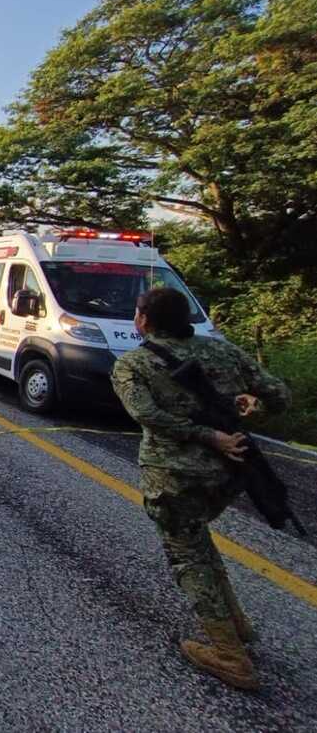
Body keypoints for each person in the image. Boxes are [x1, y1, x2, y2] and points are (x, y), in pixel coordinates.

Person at [111, 287, 290, 691]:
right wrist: (251, 406)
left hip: (174, 476)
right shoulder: (223, 352)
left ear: (143, 320)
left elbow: (146, 414)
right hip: (228, 475)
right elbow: (278, 395)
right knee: (198, 540)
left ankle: (229, 654)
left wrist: (206, 435)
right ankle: (237, 623)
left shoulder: (133, 363)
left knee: (186, 555)